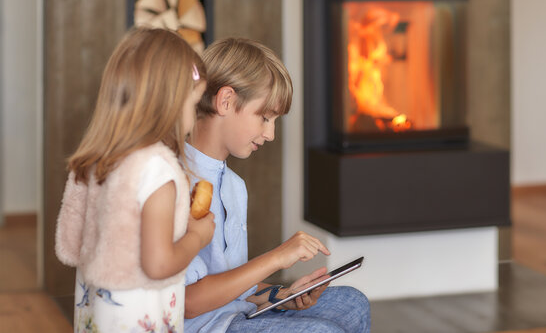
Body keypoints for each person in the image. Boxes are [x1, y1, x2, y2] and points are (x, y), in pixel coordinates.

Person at [183, 37, 371, 333]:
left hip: (237, 314)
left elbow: (233, 283)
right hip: (205, 327)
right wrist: (277, 257)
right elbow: (188, 302)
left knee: (353, 302)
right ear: (226, 101)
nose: (270, 134)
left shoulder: (233, 186)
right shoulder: (178, 181)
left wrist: (283, 296)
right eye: (265, 118)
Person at [55, 27, 216, 333]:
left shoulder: (97, 160)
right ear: (167, 103)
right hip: (140, 318)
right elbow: (158, 264)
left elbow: (74, 238)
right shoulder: (157, 171)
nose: (194, 118)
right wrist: (197, 236)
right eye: (193, 105)